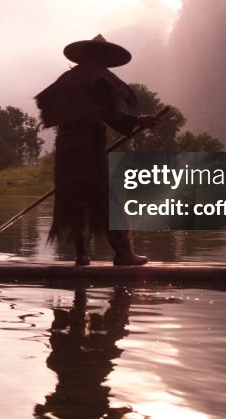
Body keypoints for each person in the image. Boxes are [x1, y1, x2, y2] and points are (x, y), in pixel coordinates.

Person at [35, 34, 159, 266]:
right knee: (105, 196)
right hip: (88, 145)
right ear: (101, 56)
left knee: (73, 197)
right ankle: (123, 253)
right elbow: (106, 114)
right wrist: (139, 121)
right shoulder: (99, 79)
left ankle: (81, 255)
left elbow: (53, 109)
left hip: (66, 147)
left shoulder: (67, 79)